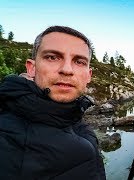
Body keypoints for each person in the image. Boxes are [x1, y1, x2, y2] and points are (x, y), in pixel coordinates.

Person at [0, 26, 106, 180]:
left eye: (79, 61)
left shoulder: (72, 116)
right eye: (52, 57)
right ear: (32, 68)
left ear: (88, 75)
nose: (67, 70)